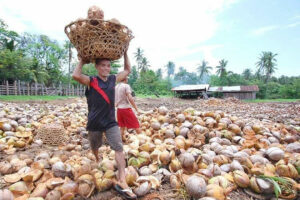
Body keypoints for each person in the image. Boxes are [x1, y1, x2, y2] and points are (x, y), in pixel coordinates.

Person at [72, 49, 136, 199]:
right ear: (97, 67)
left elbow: (127, 70)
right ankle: (97, 158)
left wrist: (126, 52)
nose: (106, 68)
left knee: (119, 148)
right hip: (94, 123)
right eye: (103, 66)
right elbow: (75, 75)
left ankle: (122, 179)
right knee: (95, 146)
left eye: (108, 65)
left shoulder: (113, 79)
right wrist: (82, 60)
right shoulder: (92, 81)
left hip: (110, 122)